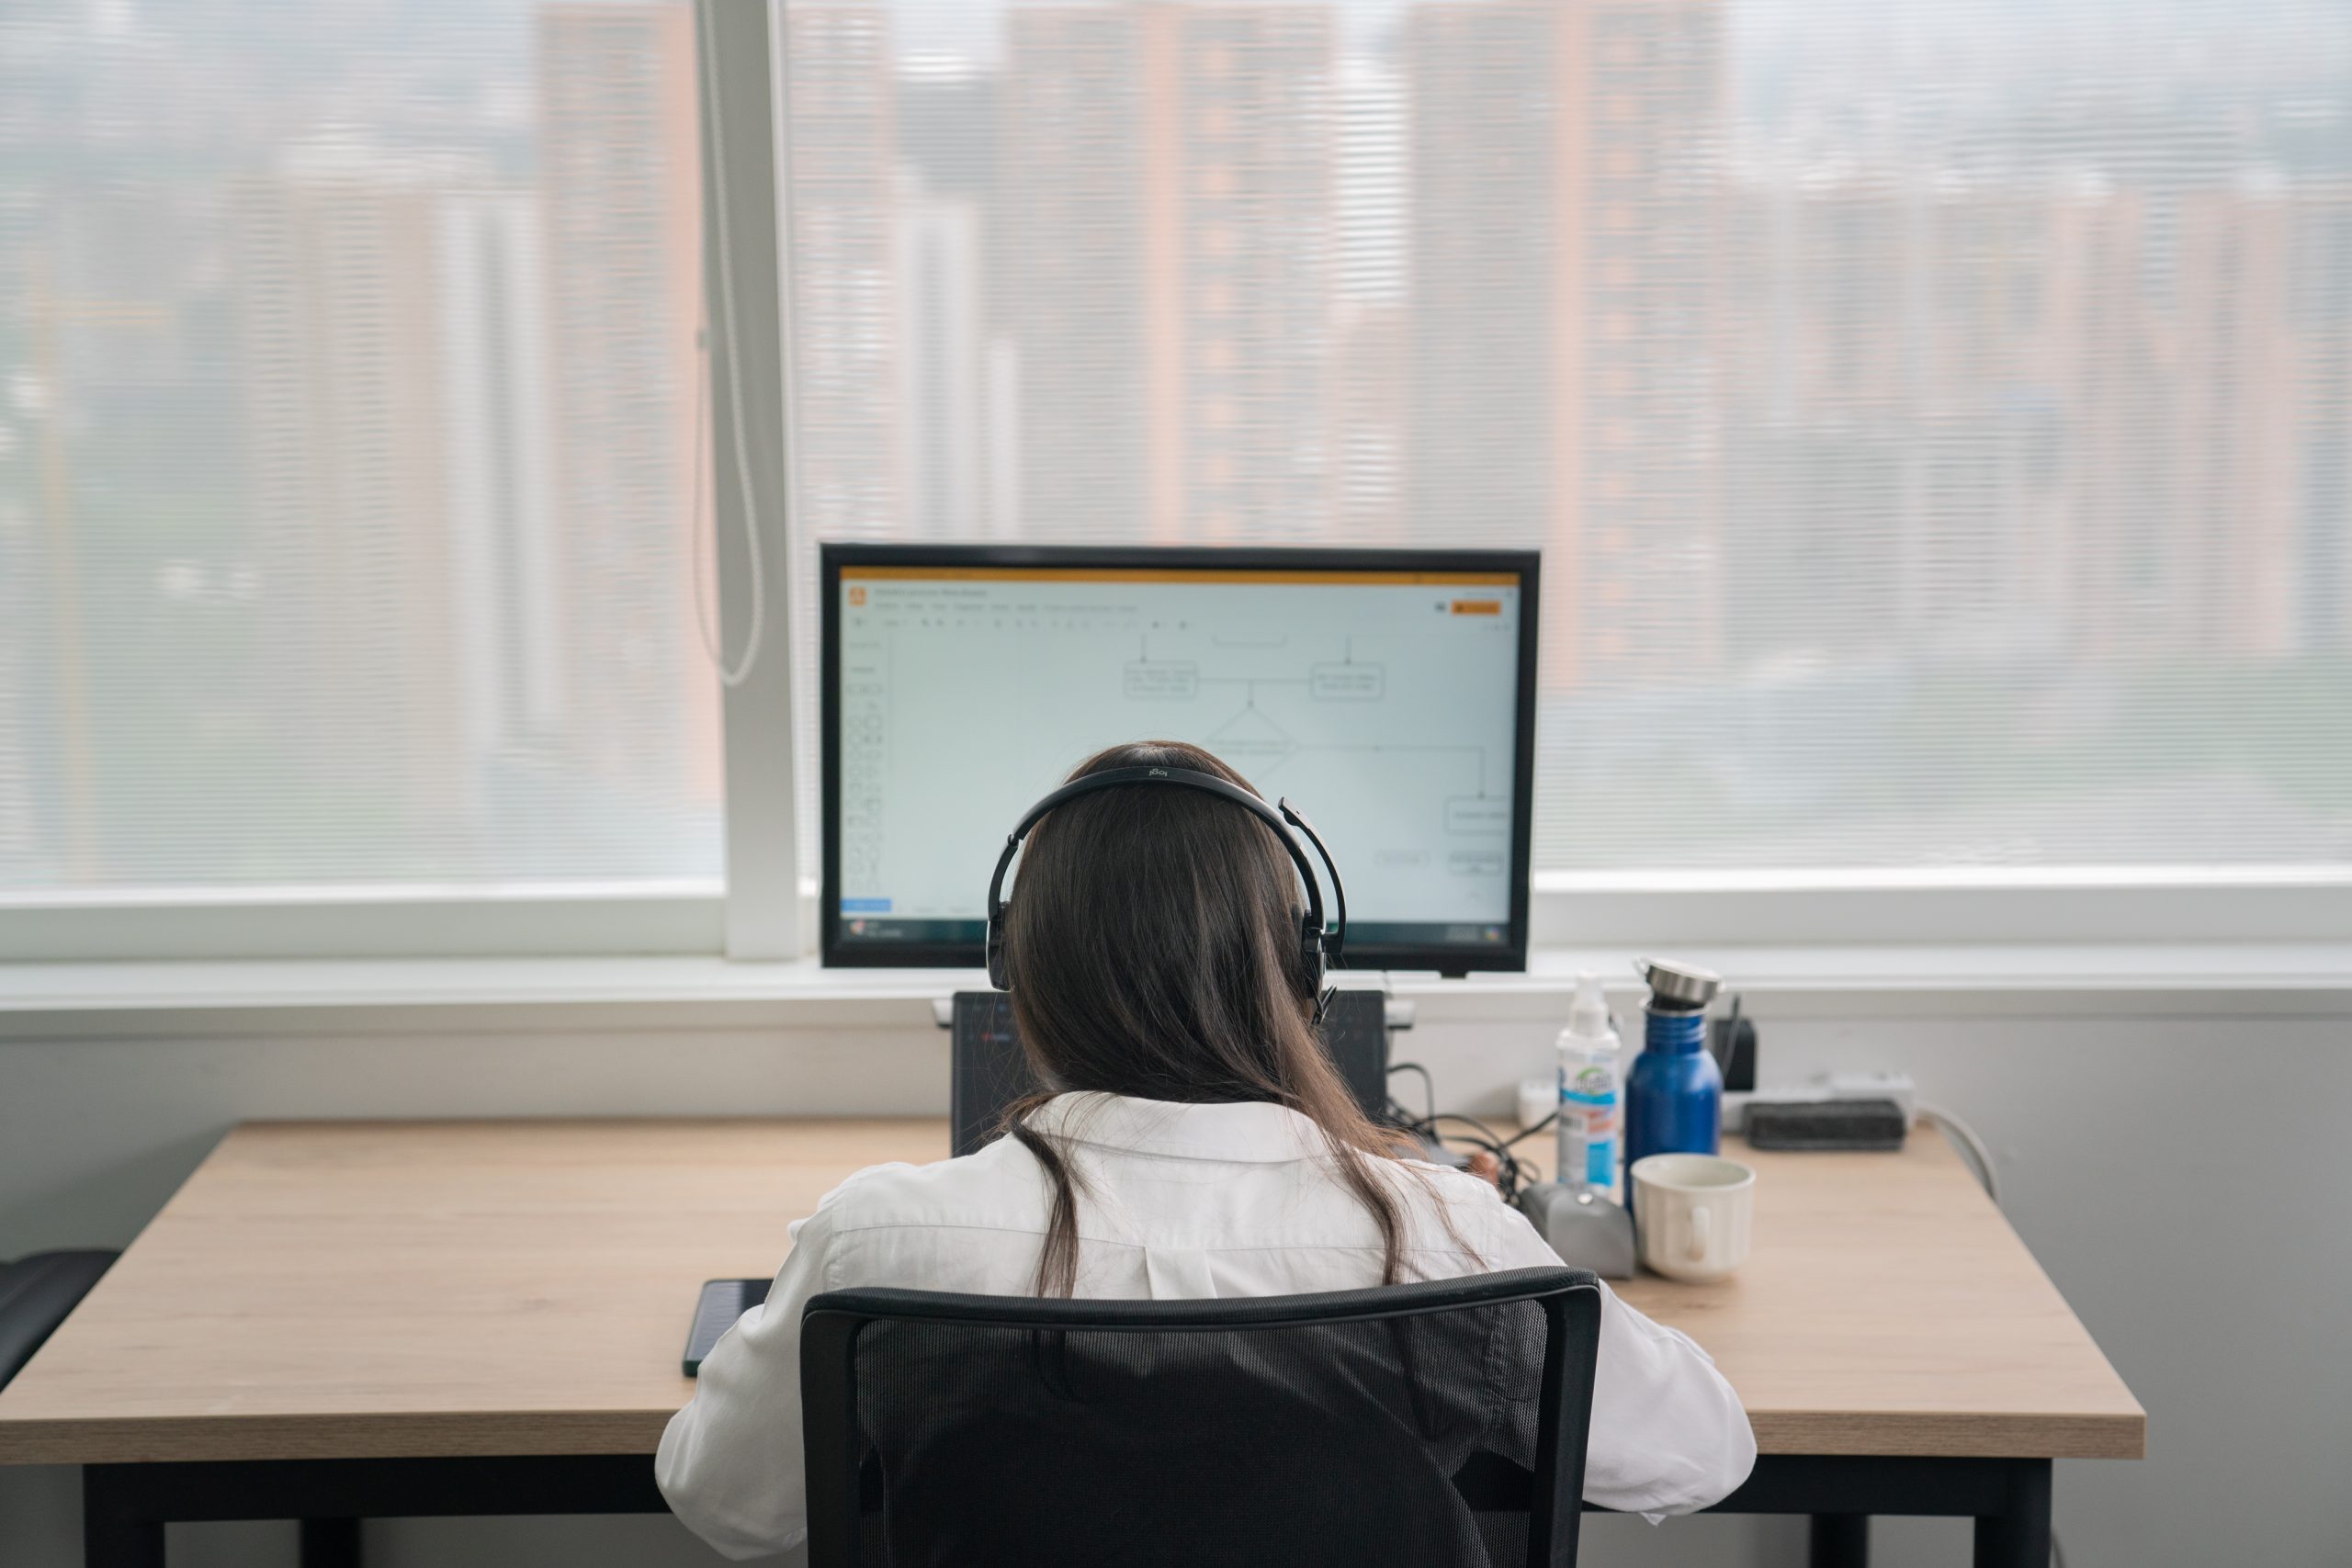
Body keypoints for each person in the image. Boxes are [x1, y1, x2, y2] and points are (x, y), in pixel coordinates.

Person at [657, 740, 1755, 1559]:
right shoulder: (1448, 1236)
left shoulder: (879, 1242)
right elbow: (1704, 1453)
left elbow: (727, 1507)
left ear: (1015, 972)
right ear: (1303, 975)